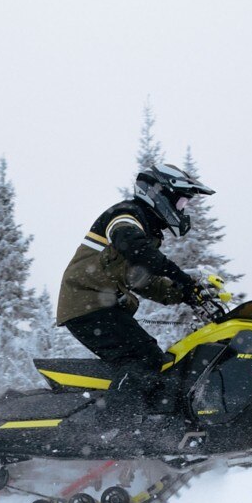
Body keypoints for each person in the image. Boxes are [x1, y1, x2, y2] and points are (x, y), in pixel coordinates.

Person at [56, 163, 216, 412]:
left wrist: (184, 294)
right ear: (159, 193)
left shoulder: (146, 232)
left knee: (151, 361)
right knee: (143, 358)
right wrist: (183, 278)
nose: (183, 210)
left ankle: (144, 424)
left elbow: (143, 280)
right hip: (88, 302)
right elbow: (136, 248)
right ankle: (115, 431)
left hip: (98, 304)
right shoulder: (126, 215)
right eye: (182, 202)